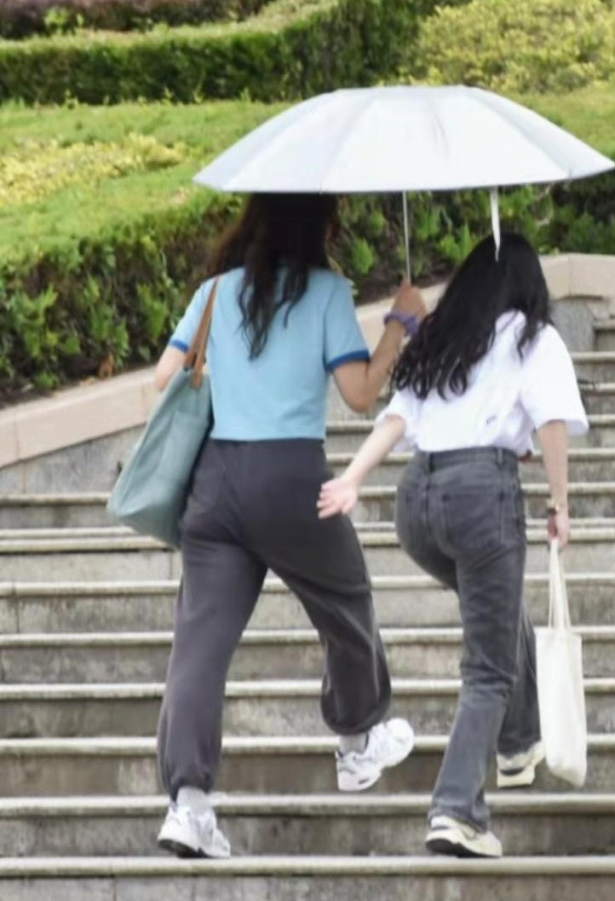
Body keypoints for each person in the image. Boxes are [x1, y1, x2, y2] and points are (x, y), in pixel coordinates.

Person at [151, 193, 426, 859]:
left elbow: (164, 378)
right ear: (316, 228)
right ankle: (357, 740)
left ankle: (188, 804)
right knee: (347, 601)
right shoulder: (326, 292)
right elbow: (360, 394)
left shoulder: (215, 292)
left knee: (199, 647)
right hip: (290, 476)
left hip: (216, 484)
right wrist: (400, 323)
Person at [319, 233, 588, 859]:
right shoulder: (533, 337)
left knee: (497, 610)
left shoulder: (445, 337)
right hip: (481, 498)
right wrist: (560, 503)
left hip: (417, 504)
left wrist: (353, 478)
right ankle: (455, 811)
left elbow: (397, 419)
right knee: (489, 665)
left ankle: (518, 742)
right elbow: (550, 420)